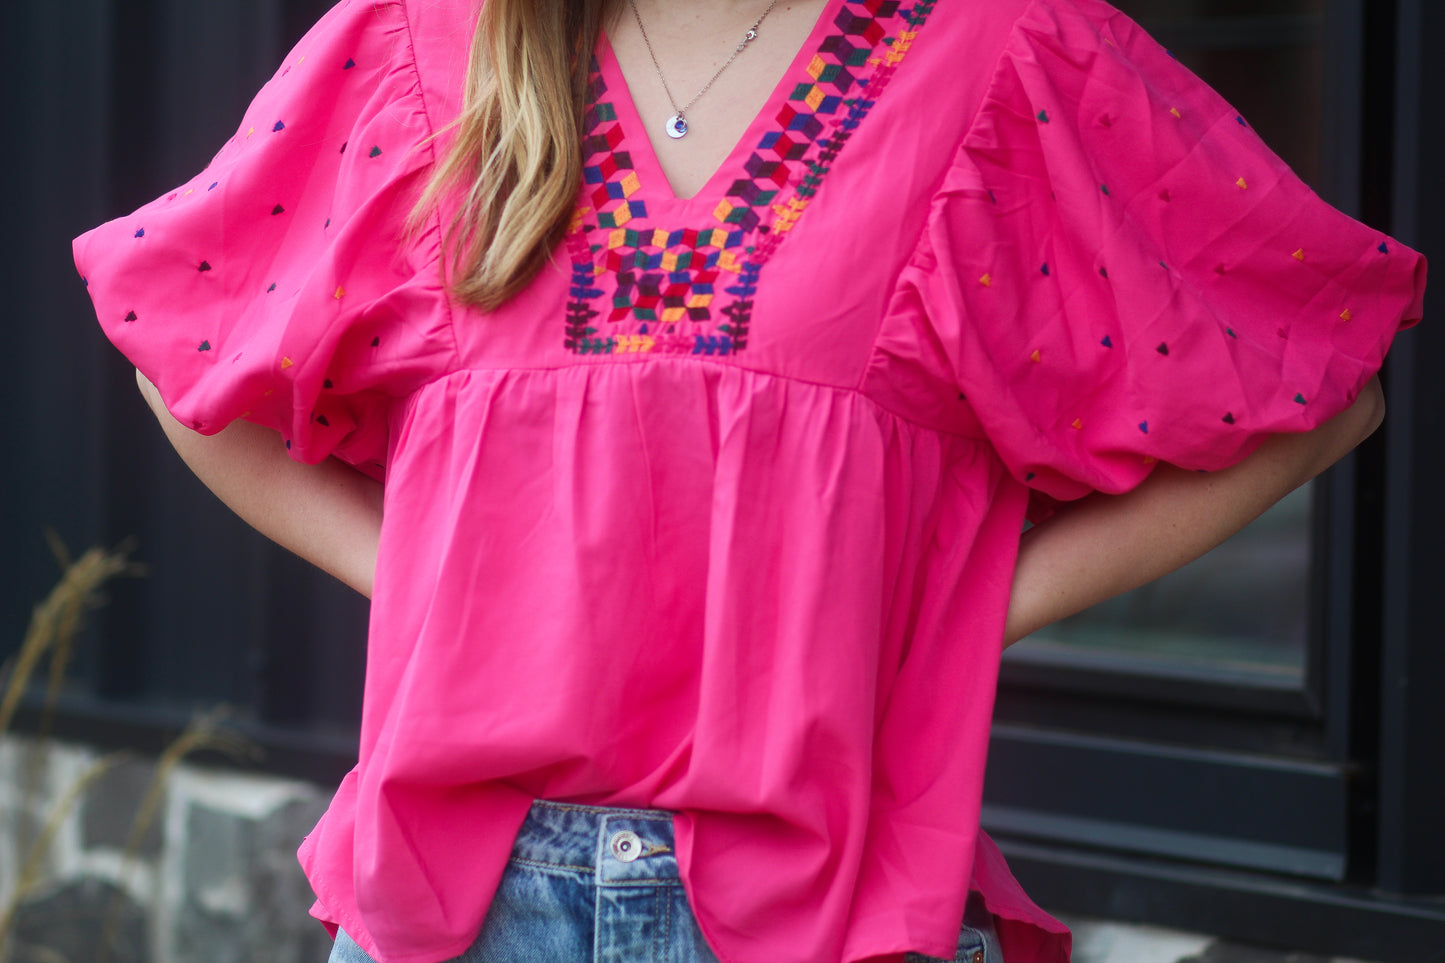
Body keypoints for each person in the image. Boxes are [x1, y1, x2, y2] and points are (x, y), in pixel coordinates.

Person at [72, 0, 1427, 960]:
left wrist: (958, 612)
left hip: (819, 904)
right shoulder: (433, 46)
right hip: (451, 908)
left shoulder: (1004, 51)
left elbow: (1320, 390)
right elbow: (181, 343)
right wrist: (424, 576)